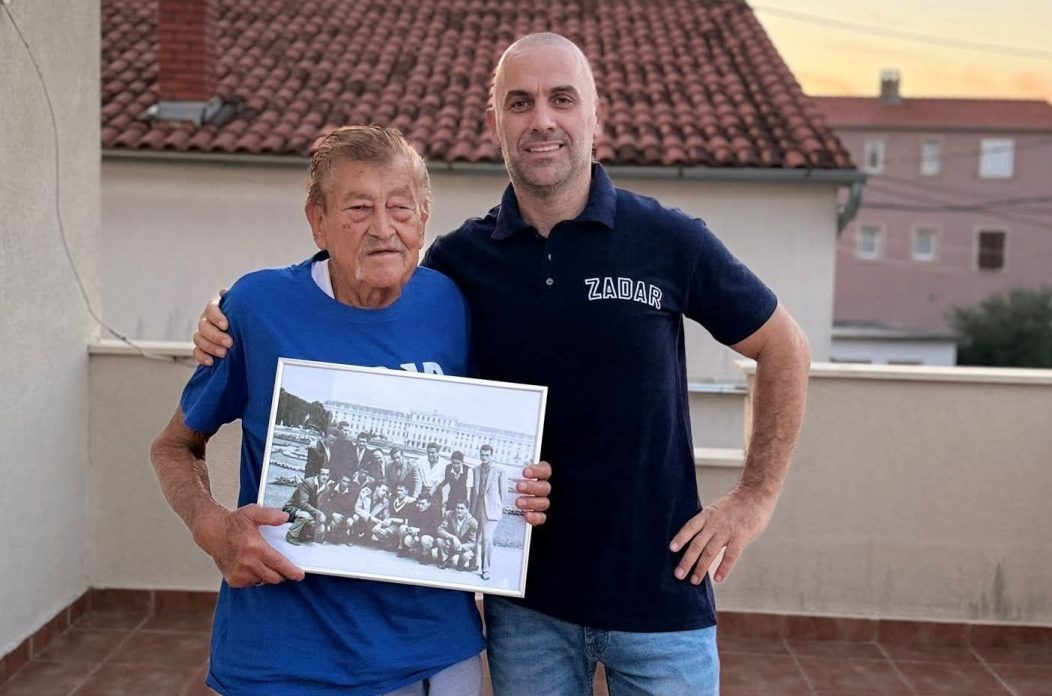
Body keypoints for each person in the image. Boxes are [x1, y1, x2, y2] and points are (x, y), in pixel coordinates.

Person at [193, 33, 810, 696]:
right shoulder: (458, 264)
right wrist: (231, 317)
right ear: (496, 124)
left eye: (561, 100)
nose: (542, 120)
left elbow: (784, 348)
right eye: (520, 103)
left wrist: (754, 499)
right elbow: (367, 302)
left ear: (594, 117)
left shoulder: (667, 240)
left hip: (660, 601)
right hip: (526, 608)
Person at [152, 125, 551, 696]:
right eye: (358, 208)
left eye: (400, 208)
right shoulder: (257, 308)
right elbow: (173, 446)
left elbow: (500, 431)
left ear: (424, 216)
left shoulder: (454, 304)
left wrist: (522, 488)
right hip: (280, 661)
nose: (383, 228)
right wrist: (212, 527)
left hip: (433, 661)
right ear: (317, 220)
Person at [470, 444, 506, 581]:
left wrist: (498, 509)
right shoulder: (475, 469)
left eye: (487, 455)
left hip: (491, 511)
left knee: (487, 539)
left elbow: (503, 493)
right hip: (476, 508)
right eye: (482, 454)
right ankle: (473, 563)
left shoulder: (500, 471)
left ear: (492, 456)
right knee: (474, 537)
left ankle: (486, 569)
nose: (484, 457)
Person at [282, 466, 331, 545]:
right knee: (305, 515)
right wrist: (319, 513)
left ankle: (302, 534)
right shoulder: (308, 482)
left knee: (320, 531)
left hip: (309, 511)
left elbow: (321, 505)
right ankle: (291, 535)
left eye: (327, 475)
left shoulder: (326, 489)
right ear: (318, 474)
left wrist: (323, 517)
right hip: (293, 508)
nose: (325, 477)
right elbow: (303, 504)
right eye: (323, 474)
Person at [437, 502, 479, 571]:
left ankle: (460, 564)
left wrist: (462, 546)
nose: (459, 510)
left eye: (462, 508)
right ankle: (446, 560)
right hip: (451, 543)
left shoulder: (472, 522)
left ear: (467, 510)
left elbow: (472, 543)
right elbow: (440, 529)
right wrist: (452, 537)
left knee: (467, 555)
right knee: (440, 541)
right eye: (458, 508)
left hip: (462, 546)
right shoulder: (448, 514)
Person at [434, 449, 474, 514]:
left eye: (458, 463)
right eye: (453, 463)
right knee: (447, 517)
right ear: (451, 461)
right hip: (451, 499)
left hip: (462, 501)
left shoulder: (468, 470)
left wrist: (467, 506)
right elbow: (439, 483)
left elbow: (468, 490)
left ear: (462, 462)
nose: (455, 466)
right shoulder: (448, 468)